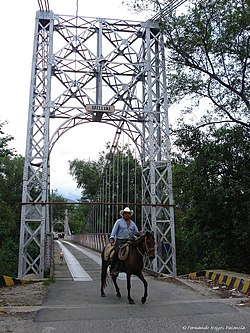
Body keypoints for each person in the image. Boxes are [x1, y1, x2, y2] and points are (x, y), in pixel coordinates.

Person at [109, 207, 139, 275]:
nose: (127, 215)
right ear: (123, 214)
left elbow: (136, 231)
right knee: (116, 252)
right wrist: (112, 238)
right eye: (125, 213)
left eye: (128, 213)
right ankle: (113, 268)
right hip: (120, 240)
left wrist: (138, 233)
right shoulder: (119, 222)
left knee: (136, 251)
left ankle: (135, 266)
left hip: (129, 240)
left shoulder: (132, 223)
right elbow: (114, 230)